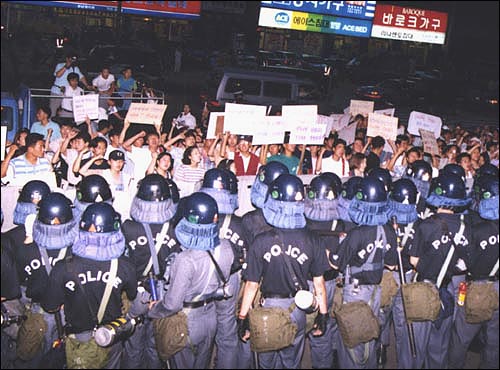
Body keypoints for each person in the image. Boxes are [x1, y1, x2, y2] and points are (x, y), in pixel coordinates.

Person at [237, 174, 329, 369]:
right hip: (297, 308)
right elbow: (319, 283)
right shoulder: (313, 240)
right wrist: (323, 314)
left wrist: (243, 317)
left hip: (268, 307)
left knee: (266, 362)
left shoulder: (261, 241)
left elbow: (252, 284)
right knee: (291, 362)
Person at [42, 203, 137, 369]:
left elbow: (50, 307)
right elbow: (132, 295)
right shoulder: (125, 266)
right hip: (111, 336)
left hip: (80, 342)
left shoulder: (63, 267)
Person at [148, 192, 234, 368]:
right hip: (210, 317)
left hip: (186, 322)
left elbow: (172, 304)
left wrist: (154, 309)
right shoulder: (226, 247)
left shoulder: (185, 259)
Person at [329, 177, 398, 369]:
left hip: (355, 292)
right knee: (370, 331)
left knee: (351, 338)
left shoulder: (356, 234)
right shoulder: (388, 231)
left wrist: (328, 252)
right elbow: (393, 265)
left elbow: (337, 264)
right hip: (376, 292)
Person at [408, 174, 472, 369]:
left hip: (423, 289)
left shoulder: (426, 225)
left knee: (415, 345)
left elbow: (413, 260)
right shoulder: (466, 227)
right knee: (440, 345)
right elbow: (466, 264)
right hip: (447, 291)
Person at [120, 174, 181, 369]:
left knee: (133, 344)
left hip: (136, 292)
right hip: (163, 293)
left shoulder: (128, 228)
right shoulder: (176, 229)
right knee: (156, 344)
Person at [12, 192, 77, 368]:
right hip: (69, 311)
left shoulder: (25, 251)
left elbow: (21, 285)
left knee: (34, 356)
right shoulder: (77, 250)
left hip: (38, 312)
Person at [199, 168, 249, 369]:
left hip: (202, 276)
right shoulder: (240, 223)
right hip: (231, 277)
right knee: (227, 330)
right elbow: (245, 254)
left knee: (205, 326)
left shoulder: (199, 215)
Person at [449, 175, 499, 369]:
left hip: (477, 288)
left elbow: (463, 263)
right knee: (494, 340)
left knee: (461, 337)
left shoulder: (476, 230)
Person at [304, 173, 344, 368]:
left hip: (308, 280)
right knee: (325, 325)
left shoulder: (302, 219)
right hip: (329, 280)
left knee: (313, 326)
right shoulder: (341, 222)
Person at [379, 179, 420, 368]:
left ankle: (381, 352)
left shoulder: (384, 217)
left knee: (383, 315)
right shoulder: (418, 222)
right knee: (402, 319)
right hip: (406, 275)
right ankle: (400, 358)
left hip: (389, 275)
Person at [50, 51, 91, 119]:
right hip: (57, 91)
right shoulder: (60, 65)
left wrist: (87, 86)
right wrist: (66, 66)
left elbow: (81, 77)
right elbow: (58, 75)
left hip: (68, 93)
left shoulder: (75, 68)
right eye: (71, 59)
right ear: (67, 58)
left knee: (67, 110)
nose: (72, 61)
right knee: (53, 111)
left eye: (74, 59)